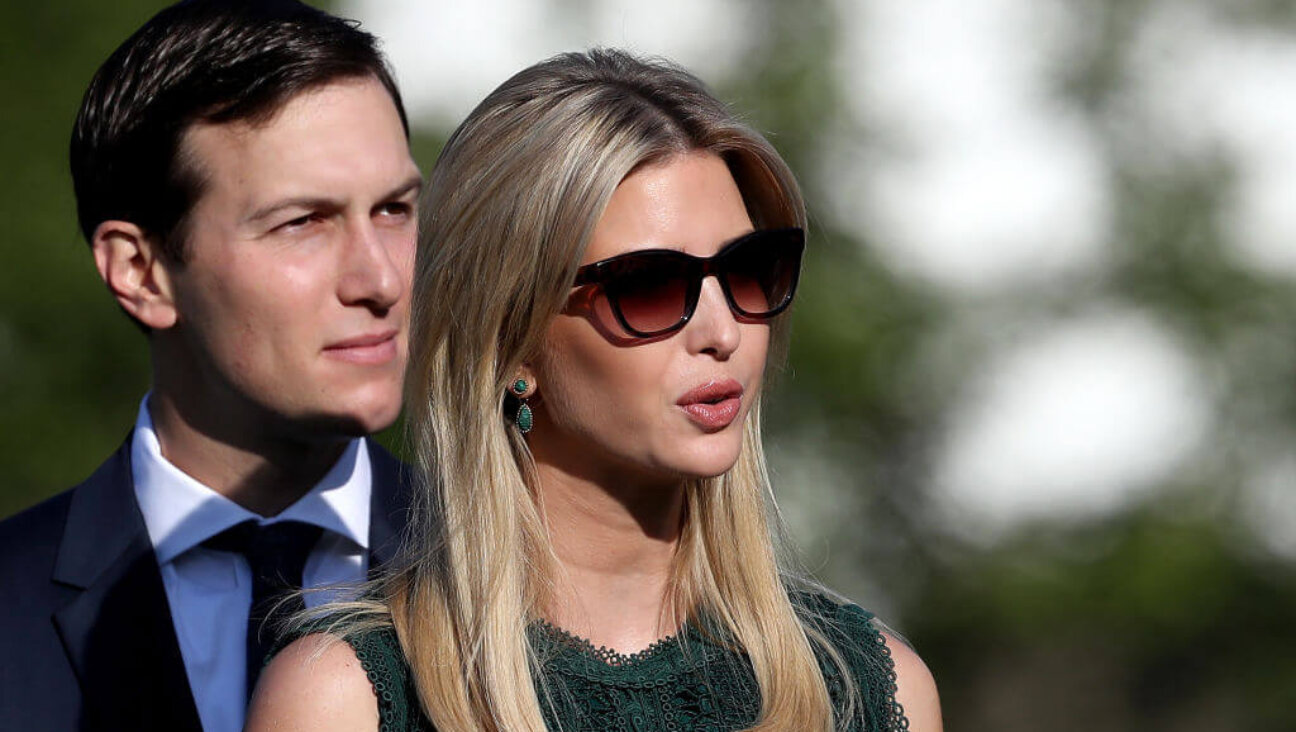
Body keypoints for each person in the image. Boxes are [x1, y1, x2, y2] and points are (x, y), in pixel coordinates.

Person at [248, 49, 942, 731]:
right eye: (649, 286)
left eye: (748, 269)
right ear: (511, 341)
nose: (721, 329)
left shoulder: (872, 691)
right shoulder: (349, 698)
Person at [0, 1, 421, 730]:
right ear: (141, 271)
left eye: (394, 210)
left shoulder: (526, 576)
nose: (380, 279)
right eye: (303, 223)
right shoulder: (11, 606)